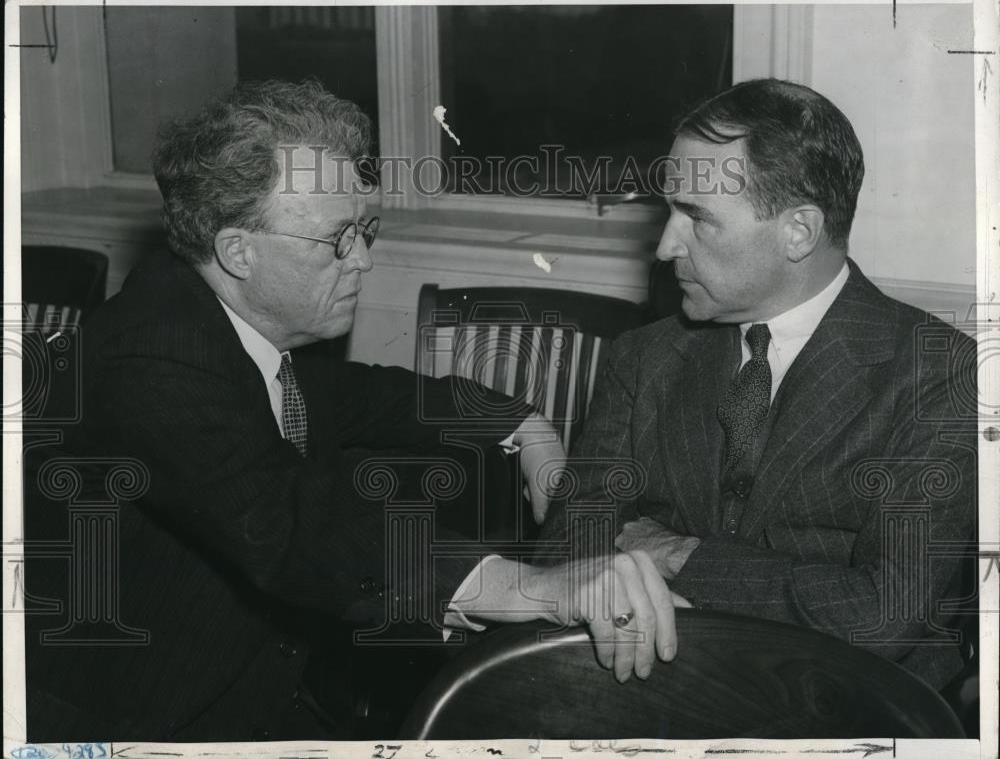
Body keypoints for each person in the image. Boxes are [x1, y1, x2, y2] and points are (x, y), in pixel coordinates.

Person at [24, 80, 681, 742]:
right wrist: (538, 587)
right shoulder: (151, 358)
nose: (363, 261)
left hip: (245, 691)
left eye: (365, 230)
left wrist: (520, 423)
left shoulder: (232, 326)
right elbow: (295, 522)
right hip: (119, 722)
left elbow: (366, 395)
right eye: (338, 239)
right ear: (238, 251)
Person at [537, 78, 978, 693]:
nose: (666, 246)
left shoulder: (940, 373)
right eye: (671, 210)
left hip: (851, 703)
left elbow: (883, 614)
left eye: (698, 218)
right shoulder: (644, 356)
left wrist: (678, 555)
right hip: (654, 684)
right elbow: (564, 548)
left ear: (798, 231)